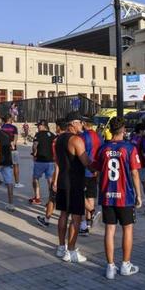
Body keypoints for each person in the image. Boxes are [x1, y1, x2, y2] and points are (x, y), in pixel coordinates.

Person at [92, 117, 142, 279]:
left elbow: (97, 172)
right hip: (125, 196)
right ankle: (125, 264)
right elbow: (135, 172)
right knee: (127, 229)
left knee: (109, 230)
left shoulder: (103, 149)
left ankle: (110, 267)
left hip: (108, 195)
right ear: (123, 130)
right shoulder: (129, 148)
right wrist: (139, 195)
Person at [54, 111, 93, 263]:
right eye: (80, 122)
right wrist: (98, 168)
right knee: (76, 217)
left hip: (63, 180)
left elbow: (57, 160)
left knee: (63, 214)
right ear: (72, 124)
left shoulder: (59, 139)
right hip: (74, 181)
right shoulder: (76, 140)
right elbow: (86, 162)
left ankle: (61, 246)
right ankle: (71, 250)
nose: (82, 125)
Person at [37, 118, 67, 228]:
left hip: (60, 173)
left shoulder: (57, 141)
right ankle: (86, 219)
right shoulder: (73, 139)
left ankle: (46, 219)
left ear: (59, 127)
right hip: (71, 174)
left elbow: (57, 162)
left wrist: (55, 180)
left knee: (52, 198)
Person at [79, 118, 102, 236]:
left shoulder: (82, 136)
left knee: (81, 196)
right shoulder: (99, 136)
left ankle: (84, 224)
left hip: (84, 170)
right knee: (91, 196)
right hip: (95, 171)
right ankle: (89, 222)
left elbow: (79, 153)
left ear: (83, 124)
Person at [29, 119, 56, 205]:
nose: (37, 127)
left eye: (38, 125)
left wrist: (34, 154)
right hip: (51, 161)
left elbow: (35, 145)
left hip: (40, 161)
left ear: (43, 126)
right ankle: (51, 200)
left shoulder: (38, 134)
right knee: (50, 181)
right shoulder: (53, 135)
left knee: (35, 179)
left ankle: (37, 197)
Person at [130, 123, 145, 206]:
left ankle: (134, 200)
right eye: (144, 130)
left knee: (132, 184)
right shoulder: (143, 140)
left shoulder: (132, 138)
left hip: (132, 164)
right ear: (141, 131)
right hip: (141, 164)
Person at [2, 114, 23, 188]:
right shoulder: (14, 127)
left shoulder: (2, 127)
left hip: (3, 149)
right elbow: (15, 139)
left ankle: (7, 182)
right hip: (13, 149)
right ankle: (17, 183)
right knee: (15, 165)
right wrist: (12, 145)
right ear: (10, 119)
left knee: (4, 166)